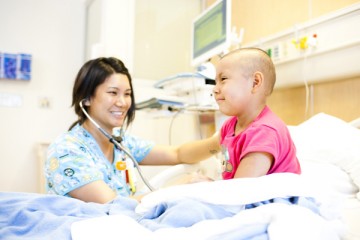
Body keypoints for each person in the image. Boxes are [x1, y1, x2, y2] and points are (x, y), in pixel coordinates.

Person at [45, 57, 219, 204]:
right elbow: (112, 205)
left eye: (127, 94)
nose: (122, 102)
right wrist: (178, 188)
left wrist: (220, 141)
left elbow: (178, 154)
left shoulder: (120, 143)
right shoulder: (67, 150)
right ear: (87, 98)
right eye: (113, 93)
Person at [213, 47, 301, 179]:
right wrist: (174, 155)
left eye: (223, 79)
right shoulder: (230, 127)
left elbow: (239, 191)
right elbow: (185, 153)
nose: (215, 89)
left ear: (255, 82)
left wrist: (205, 186)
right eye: (215, 82)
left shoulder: (264, 131)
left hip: (273, 198)